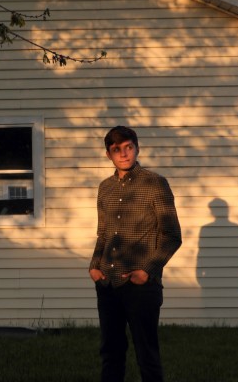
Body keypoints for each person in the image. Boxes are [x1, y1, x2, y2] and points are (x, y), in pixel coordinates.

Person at [89, 125, 182, 382]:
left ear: (137, 148)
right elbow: (103, 234)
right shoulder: (105, 188)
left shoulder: (155, 183)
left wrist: (147, 271)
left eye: (128, 147)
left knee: (147, 355)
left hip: (140, 285)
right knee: (111, 353)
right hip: (107, 284)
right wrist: (94, 266)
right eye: (116, 149)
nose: (124, 154)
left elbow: (172, 236)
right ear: (108, 154)